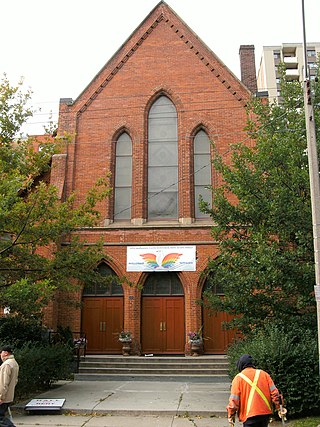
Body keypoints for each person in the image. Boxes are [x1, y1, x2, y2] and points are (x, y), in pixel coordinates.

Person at [227, 354, 286, 427]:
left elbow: (234, 400)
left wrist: (231, 414)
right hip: (265, 414)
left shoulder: (238, 378)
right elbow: (275, 394)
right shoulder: (264, 374)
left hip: (249, 416)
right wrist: (279, 408)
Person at [0, 346, 19, 426]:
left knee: (1, 418)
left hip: (3, 397)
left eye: (1, 352)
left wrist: (1, 397)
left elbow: (4, 383)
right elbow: (15, 381)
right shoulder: (14, 363)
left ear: (5, 353)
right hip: (9, 395)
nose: (0, 354)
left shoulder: (6, 365)